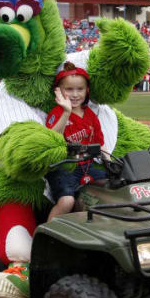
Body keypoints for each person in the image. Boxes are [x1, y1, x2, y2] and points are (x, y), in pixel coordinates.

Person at [44, 62, 107, 221]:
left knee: (109, 189)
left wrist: (110, 162)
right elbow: (52, 138)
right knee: (67, 201)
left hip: (87, 166)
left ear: (87, 91)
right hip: (63, 167)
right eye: (69, 89)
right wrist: (66, 112)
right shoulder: (57, 113)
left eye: (80, 89)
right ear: (58, 91)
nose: (75, 94)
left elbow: (100, 143)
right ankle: (46, 233)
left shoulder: (90, 114)